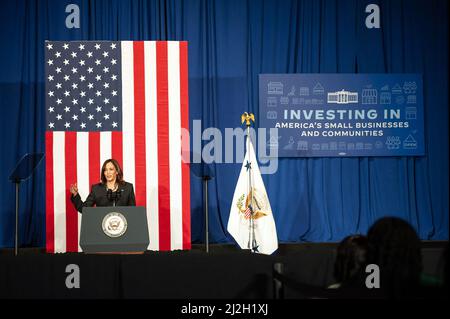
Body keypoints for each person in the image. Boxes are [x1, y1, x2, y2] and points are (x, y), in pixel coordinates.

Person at [70, 159, 136, 213]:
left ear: (117, 171)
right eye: (105, 170)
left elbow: (133, 212)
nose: (108, 172)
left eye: (111, 169)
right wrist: (75, 194)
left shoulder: (128, 188)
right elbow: (84, 209)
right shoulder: (96, 189)